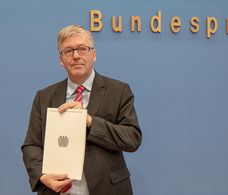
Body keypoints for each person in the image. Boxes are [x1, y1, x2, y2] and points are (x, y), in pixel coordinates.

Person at [21, 24, 142, 195]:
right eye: (68, 51)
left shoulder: (119, 90)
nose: (76, 55)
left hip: (108, 189)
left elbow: (132, 138)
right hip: (56, 191)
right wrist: (42, 176)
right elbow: (32, 145)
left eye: (82, 49)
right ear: (61, 59)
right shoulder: (44, 96)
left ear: (94, 54)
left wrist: (89, 121)